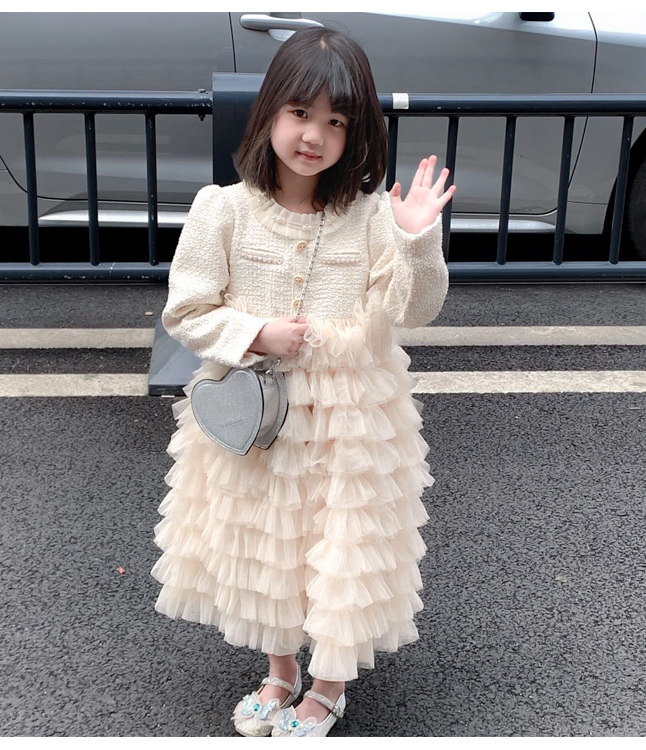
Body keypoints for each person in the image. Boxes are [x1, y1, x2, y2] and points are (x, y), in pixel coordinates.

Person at [150, 26, 455, 738]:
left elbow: (416, 310)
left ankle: (327, 688)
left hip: (352, 417)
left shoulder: (373, 217)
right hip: (260, 411)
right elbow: (186, 311)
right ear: (269, 113)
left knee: (343, 544)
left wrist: (415, 239)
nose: (315, 135)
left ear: (358, 132)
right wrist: (255, 332)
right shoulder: (223, 208)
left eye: (337, 121)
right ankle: (281, 670)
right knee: (269, 541)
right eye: (300, 112)